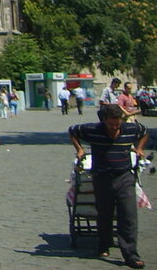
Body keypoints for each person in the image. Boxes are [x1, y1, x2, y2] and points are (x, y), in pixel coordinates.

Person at [69, 104, 148, 268]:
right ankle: (104, 244)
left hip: (125, 176)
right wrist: (79, 149)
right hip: (102, 177)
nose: (114, 128)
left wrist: (140, 148)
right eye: (111, 124)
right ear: (104, 120)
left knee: (128, 216)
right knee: (104, 213)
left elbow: (145, 132)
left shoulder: (131, 129)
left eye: (117, 124)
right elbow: (72, 131)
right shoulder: (92, 129)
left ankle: (130, 254)